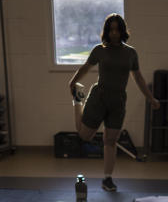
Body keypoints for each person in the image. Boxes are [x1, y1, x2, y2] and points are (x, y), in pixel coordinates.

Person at [68, 13, 159, 192]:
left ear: (122, 31)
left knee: (110, 140)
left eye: (117, 30)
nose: (114, 33)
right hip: (99, 96)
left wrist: (150, 97)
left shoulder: (131, 53)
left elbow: (138, 77)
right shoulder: (99, 50)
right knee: (85, 135)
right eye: (111, 30)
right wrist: (72, 82)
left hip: (118, 100)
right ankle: (77, 101)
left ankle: (107, 178)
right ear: (107, 31)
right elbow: (86, 67)